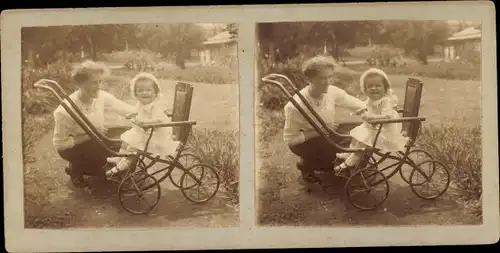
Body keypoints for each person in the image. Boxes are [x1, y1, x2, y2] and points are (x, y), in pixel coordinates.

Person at [53, 60, 136, 195]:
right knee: (108, 160)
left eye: (100, 82)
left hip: (96, 138)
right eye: (93, 82)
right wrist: (90, 134)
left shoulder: (100, 96)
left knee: (130, 142)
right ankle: (77, 168)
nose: (98, 86)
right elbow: (60, 145)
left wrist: (149, 115)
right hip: (73, 148)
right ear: (80, 83)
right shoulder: (64, 111)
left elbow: (123, 108)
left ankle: (85, 167)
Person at [283, 55, 367, 184]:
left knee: (362, 134)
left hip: (327, 132)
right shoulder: (295, 106)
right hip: (307, 142)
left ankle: (342, 165)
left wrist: (373, 111)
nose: (328, 81)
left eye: (330, 77)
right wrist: (320, 131)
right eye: (322, 78)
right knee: (335, 157)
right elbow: (291, 140)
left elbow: (350, 102)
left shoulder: (331, 91)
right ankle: (308, 164)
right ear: (309, 79)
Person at [334, 68, 409, 172]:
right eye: (370, 86)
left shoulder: (386, 101)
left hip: (386, 131)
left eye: (378, 86)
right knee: (357, 133)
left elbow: (387, 116)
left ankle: (354, 158)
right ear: (365, 89)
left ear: (385, 88)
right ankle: (350, 153)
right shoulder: (371, 99)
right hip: (377, 128)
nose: (374, 88)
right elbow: (367, 107)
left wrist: (371, 117)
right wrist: (362, 110)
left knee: (364, 137)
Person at [105, 72, 179, 177]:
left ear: (155, 91)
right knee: (126, 141)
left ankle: (120, 167)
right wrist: (133, 114)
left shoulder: (157, 105)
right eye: (140, 90)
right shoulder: (142, 103)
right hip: (145, 132)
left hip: (156, 136)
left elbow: (159, 120)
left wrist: (145, 122)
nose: (144, 93)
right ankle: (119, 158)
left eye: (148, 90)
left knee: (133, 148)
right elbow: (139, 111)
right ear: (135, 93)